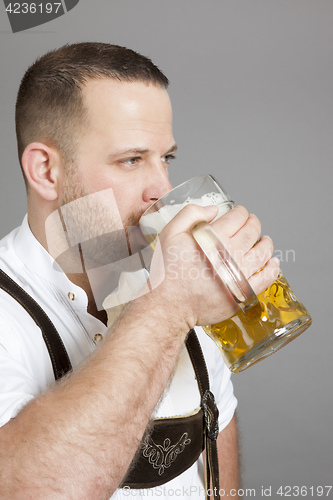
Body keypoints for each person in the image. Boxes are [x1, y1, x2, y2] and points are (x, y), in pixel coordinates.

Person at [0, 43, 279, 499]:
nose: (163, 189)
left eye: (165, 158)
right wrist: (168, 306)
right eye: (131, 160)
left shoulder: (186, 276)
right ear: (46, 171)